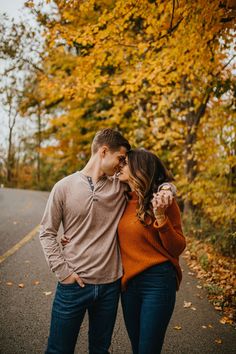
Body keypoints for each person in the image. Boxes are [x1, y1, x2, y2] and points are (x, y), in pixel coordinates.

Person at [39, 128, 175, 354]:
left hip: (110, 286)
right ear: (103, 151)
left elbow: (153, 181)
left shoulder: (119, 186)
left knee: (100, 349)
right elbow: (46, 232)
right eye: (120, 159)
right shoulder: (63, 187)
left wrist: (169, 188)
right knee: (58, 349)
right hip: (73, 284)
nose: (122, 166)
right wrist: (63, 272)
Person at [117, 148, 186, 354]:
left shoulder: (163, 201)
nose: (120, 166)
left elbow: (177, 247)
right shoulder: (121, 198)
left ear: (140, 169)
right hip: (129, 285)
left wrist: (161, 217)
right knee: (137, 347)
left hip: (158, 282)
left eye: (126, 163)